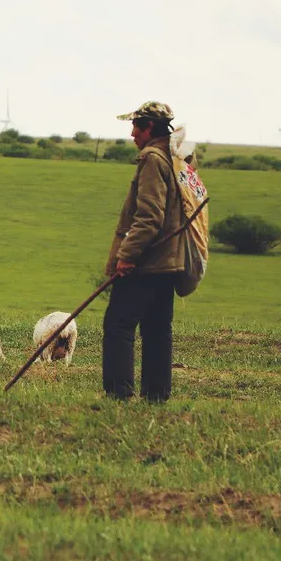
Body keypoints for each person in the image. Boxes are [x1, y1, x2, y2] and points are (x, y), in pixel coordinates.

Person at [103, 101, 185, 402]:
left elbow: (149, 216)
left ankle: (118, 395)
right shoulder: (175, 157)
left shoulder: (152, 159)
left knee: (118, 325)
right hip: (169, 261)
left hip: (146, 262)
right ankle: (156, 396)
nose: (133, 133)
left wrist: (127, 255)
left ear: (149, 127)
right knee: (157, 329)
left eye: (136, 126)